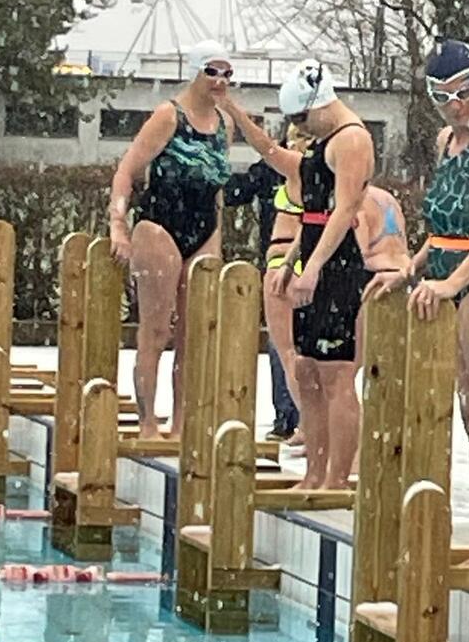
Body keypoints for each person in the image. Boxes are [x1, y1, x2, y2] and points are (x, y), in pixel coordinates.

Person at [368, 38, 469, 565]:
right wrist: (411, 270)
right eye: (442, 98)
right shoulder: (445, 141)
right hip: (450, 281)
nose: (454, 108)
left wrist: (452, 283)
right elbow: (440, 231)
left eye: (461, 94)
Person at [221, 60, 374, 490]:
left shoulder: (352, 139)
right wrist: (291, 264)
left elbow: (342, 212)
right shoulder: (321, 144)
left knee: (336, 374)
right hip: (314, 262)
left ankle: (337, 478)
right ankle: (314, 474)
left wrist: (314, 269)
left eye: (301, 119)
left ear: (321, 104)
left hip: (339, 267)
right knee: (305, 370)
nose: (298, 127)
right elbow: (276, 158)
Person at [109, 38, 234, 438]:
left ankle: (182, 425)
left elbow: (216, 188)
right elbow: (126, 172)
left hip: (203, 228)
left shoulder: (225, 125)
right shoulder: (169, 116)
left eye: (227, 73)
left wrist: (218, 235)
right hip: (160, 225)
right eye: (212, 71)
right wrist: (118, 226)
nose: (220, 80)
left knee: (193, 337)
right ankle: (148, 424)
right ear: (196, 71)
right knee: (156, 331)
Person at [221, 134, 301, 442]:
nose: (298, 145)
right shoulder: (270, 170)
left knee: (303, 346)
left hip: (311, 264)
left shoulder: (325, 169)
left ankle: (308, 419)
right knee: (280, 344)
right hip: (278, 263)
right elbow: (235, 191)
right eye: (293, 138)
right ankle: (286, 416)